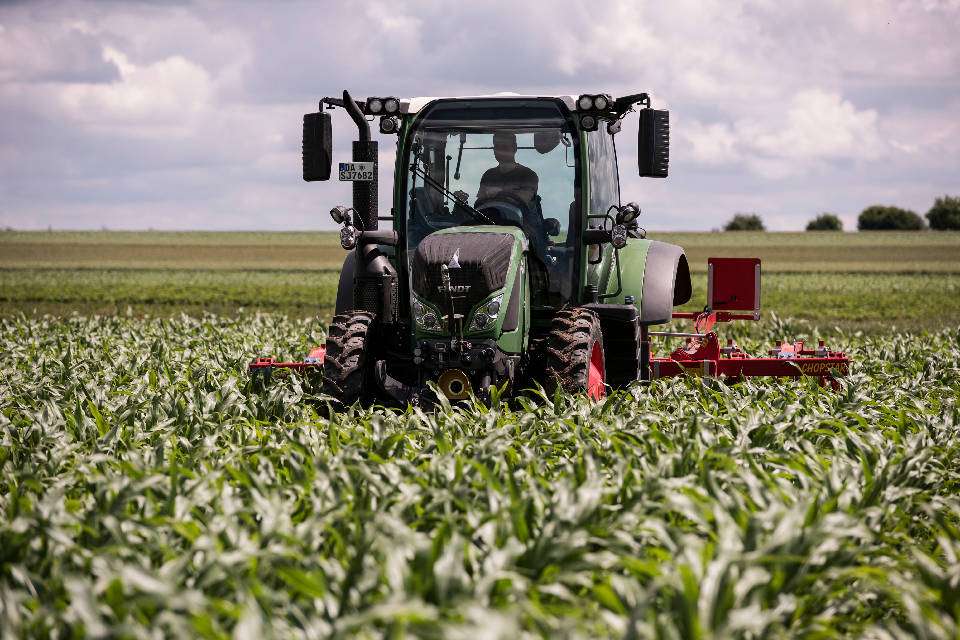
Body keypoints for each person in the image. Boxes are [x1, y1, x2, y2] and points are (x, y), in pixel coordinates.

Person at [476, 132, 538, 205]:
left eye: (504, 147)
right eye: (497, 147)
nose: (500, 151)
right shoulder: (488, 175)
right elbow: (479, 202)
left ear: (514, 148)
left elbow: (524, 199)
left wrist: (500, 192)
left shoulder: (528, 175)